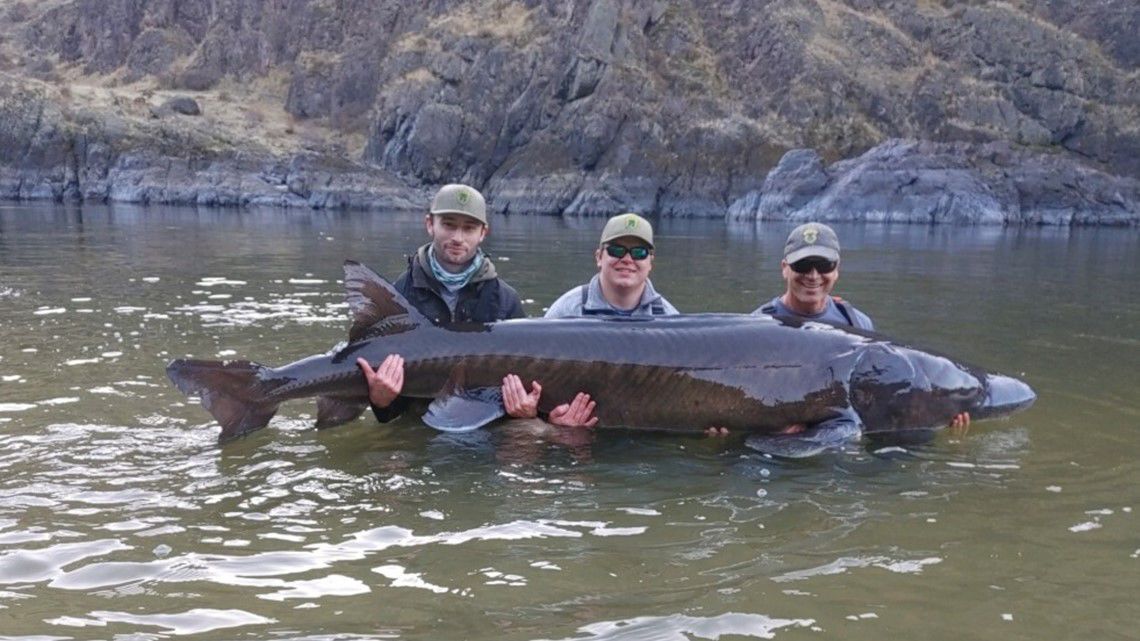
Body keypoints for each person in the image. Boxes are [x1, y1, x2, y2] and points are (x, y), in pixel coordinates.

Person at [754, 222, 969, 431]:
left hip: (838, 436)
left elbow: (880, 397)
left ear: (836, 270)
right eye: (802, 265)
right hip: (775, 441)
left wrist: (941, 412)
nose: (813, 275)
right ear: (785, 268)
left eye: (823, 266)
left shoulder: (857, 322)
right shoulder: (756, 326)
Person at [357, 183, 527, 423]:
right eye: (448, 225)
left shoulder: (506, 301)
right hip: (418, 421)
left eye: (468, 228)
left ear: (482, 233)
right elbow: (389, 413)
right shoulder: (399, 294)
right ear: (430, 224)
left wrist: (524, 411)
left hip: (483, 426)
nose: (458, 238)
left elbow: (519, 386)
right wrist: (381, 401)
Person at [501, 213, 678, 427]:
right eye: (616, 250)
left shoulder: (670, 319)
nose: (627, 259)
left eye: (639, 252)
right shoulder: (566, 310)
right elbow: (534, 384)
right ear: (599, 257)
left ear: (650, 263)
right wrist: (548, 420)